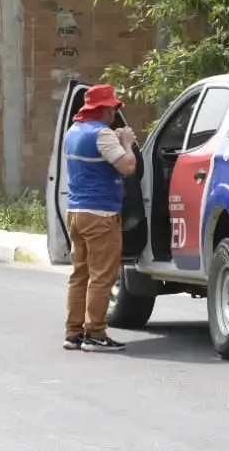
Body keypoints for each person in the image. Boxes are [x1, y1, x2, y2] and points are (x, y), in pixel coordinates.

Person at [62, 83, 138, 352]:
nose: (115, 113)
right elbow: (128, 166)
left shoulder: (73, 131)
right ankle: (95, 333)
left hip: (76, 212)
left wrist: (115, 140)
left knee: (79, 275)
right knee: (102, 277)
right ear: (104, 109)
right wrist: (126, 143)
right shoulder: (102, 134)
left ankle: (73, 333)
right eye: (113, 108)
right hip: (101, 213)